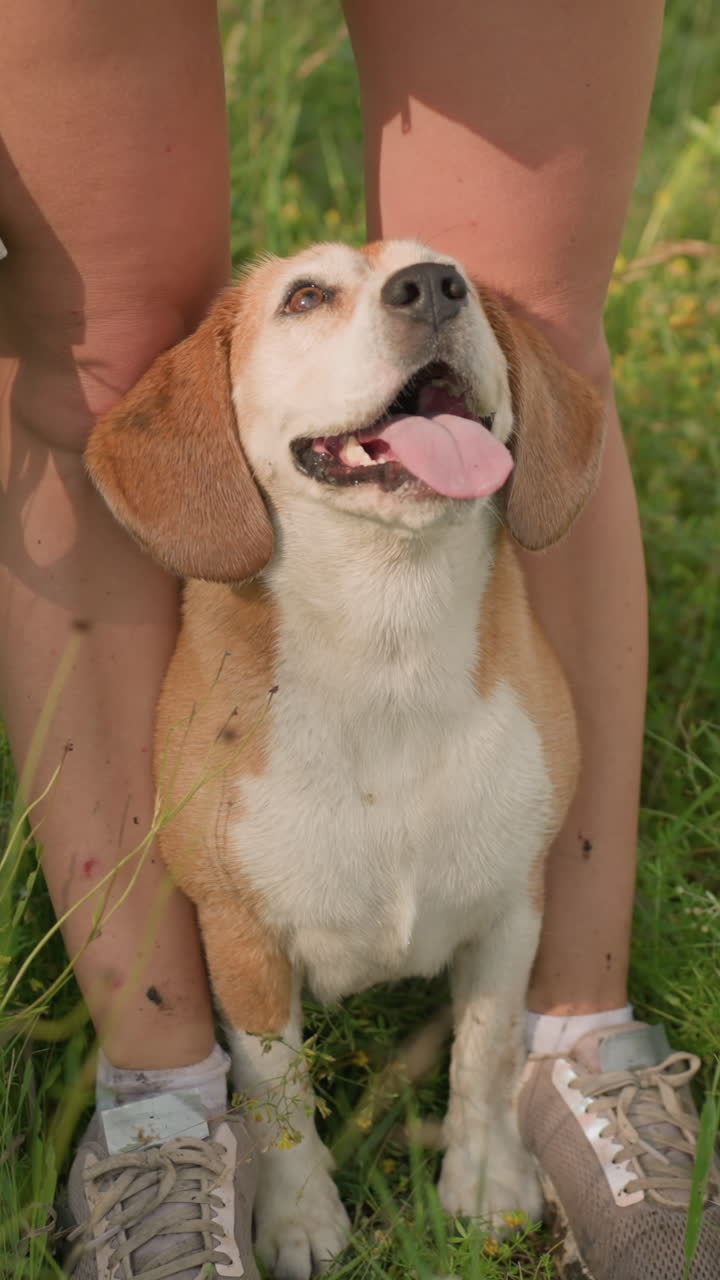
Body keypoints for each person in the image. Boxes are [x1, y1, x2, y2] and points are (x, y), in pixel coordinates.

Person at [1, 3, 716, 1278]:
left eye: (427, 288)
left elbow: (520, 331)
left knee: (539, 299)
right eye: (313, 299)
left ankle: (574, 1043)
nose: (423, 295)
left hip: (475, 715)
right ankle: (166, 1102)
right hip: (267, 701)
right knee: (94, 350)